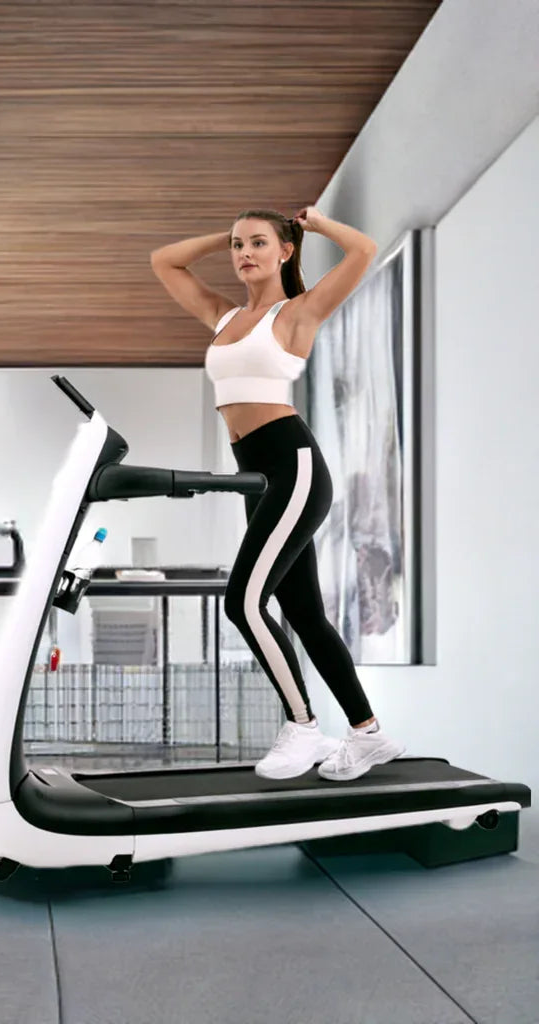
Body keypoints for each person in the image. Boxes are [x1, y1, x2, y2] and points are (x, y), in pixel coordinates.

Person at [150, 206, 405, 782]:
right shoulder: (224, 316)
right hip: (256, 477)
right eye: (239, 245)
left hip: (292, 465)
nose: (244, 253)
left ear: (285, 251)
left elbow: (362, 250)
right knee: (305, 614)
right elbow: (162, 261)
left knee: (241, 602)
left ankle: (303, 727)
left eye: (258, 243)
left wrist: (310, 224)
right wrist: (228, 233)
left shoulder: (299, 312)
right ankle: (368, 735)